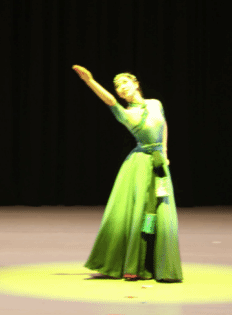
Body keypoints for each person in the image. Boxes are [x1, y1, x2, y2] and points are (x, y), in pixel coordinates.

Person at [72, 65, 182, 282]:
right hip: (140, 166)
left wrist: (165, 152)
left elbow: (163, 125)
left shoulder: (155, 104)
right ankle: (135, 263)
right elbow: (110, 101)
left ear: (135, 83)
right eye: (117, 86)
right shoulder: (126, 114)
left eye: (124, 83)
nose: (121, 88)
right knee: (143, 212)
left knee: (158, 213)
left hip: (158, 166)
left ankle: (155, 263)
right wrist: (90, 81)